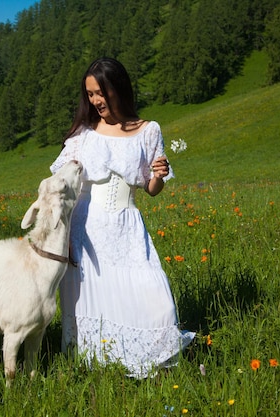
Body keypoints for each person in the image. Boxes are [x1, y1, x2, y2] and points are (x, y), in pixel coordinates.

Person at [50, 58, 195, 378]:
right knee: (90, 301)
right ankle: (97, 366)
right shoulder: (84, 134)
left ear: (118, 89)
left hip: (126, 225)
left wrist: (160, 174)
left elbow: (152, 188)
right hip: (84, 229)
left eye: (100, 92)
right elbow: (61, 183)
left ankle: (151, 361)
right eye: (89, 95)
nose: (95, 101)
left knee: (156, 299)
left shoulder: (148, 130)